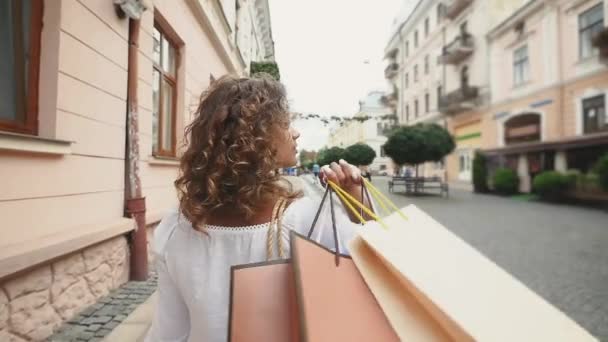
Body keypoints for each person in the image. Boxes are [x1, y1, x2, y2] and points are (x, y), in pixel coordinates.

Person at [145, 75, 376, 342]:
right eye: (287, 124)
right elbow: (375, 273)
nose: (296, 133)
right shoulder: (307, 220)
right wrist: (359, 199)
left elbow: (169, 331)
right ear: (260, 136)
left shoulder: (176, 227)